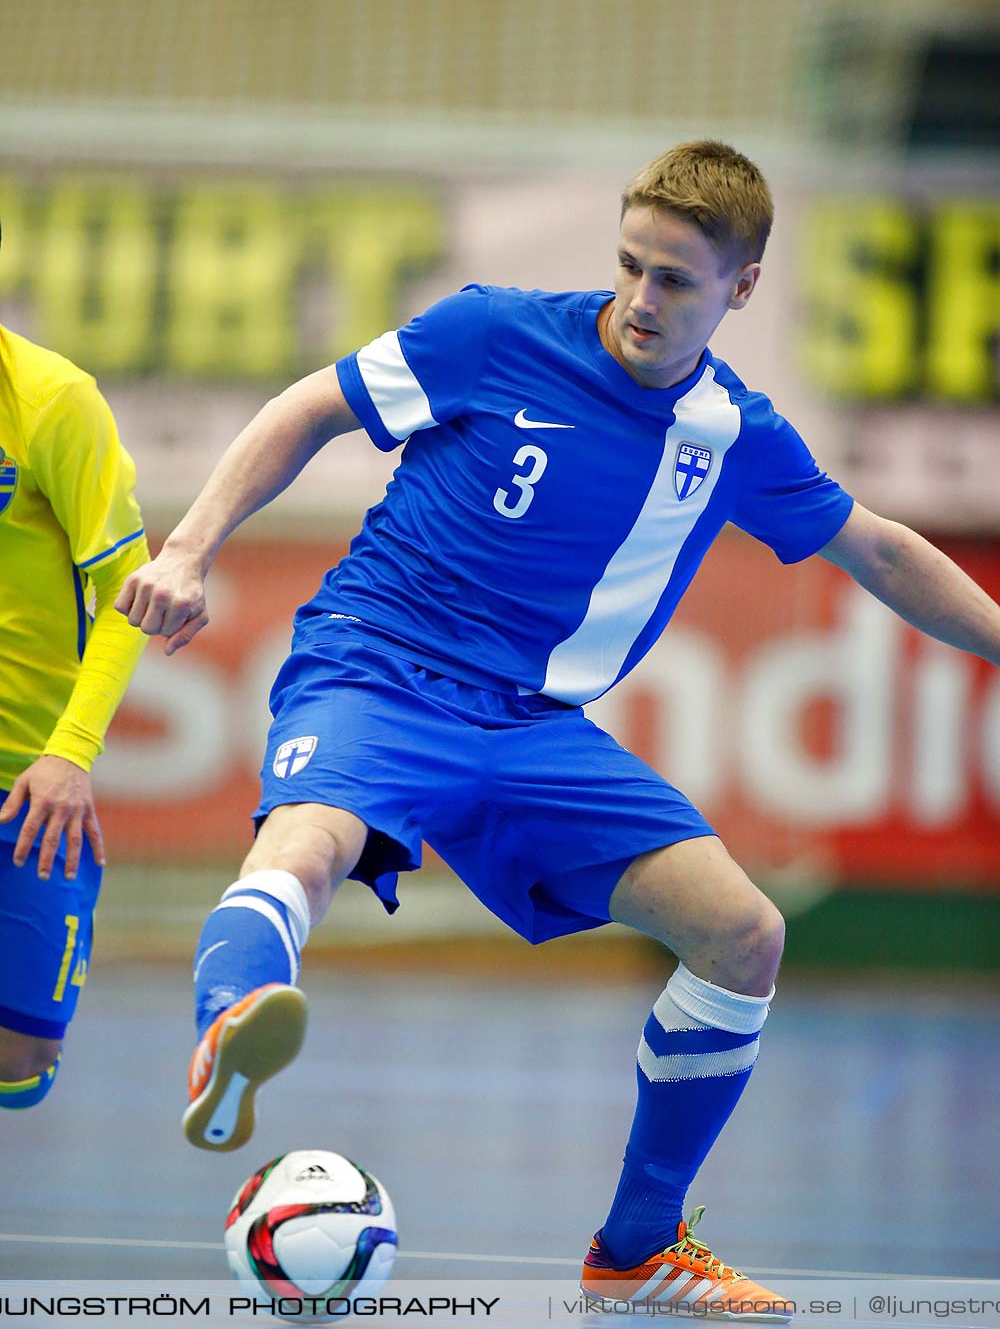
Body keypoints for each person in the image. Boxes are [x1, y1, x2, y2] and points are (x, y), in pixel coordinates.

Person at [117, 141, 1000, 1318]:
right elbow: (308, 408)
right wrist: (189, 547)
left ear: (742, 286)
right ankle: (229, 1025)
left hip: (532, 728)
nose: (640, 300)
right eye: (630, 266)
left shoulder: (734, 436)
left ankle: (637, 1248)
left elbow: (880, 549)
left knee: (742, 934)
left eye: (677, 280)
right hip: (379, 669)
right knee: (308, 845)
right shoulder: (492, 332)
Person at [0, 321, 149, 1108]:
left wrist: (71, 753)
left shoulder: (52, 400)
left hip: (25, 785)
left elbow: (129, 596)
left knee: (21, 1062)